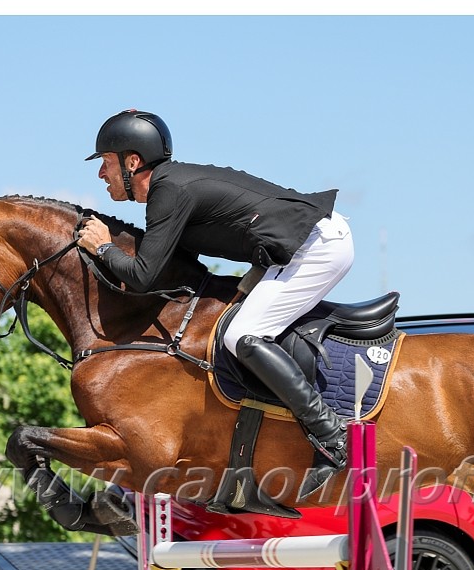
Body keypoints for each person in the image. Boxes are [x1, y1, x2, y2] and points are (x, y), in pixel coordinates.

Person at [79, 109, 355, 497]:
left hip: (314, 249)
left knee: (242, 335)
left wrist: (103, 247)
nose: (100, 174)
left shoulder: (168, 191)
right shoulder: (170, 188)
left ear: (133, 162)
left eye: (106, 162)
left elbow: (142, 275)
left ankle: (332, 435)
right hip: (292, 249)